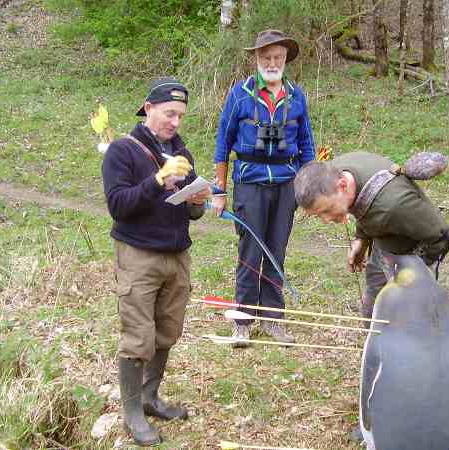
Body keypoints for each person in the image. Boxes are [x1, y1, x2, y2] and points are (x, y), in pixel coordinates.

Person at [102, 77, 211, 446]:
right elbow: (118, 205)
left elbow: (193, 213)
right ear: (148, 108)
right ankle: (132, 414)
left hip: (177, 256)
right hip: (138, 256)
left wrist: (199, 201)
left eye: (180, 115)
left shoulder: (183, 155)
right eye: (169, 113)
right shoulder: (122, 151)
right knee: (138, 337)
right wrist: (157, 180)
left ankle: (149, 398)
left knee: (167, 331)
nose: (175, 122)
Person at [212, 30, 315, 347]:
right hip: (249, 182)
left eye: (278, 58)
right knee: (251, 251)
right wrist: (220, 190)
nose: (272, 63)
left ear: (285, 60)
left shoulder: (296, 96)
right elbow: (222, 143)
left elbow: (307, 145)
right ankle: (242, 321)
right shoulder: (240, 95)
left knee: (276, 250)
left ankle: (273, 319)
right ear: (256, 59)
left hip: (286, 185)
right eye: (266, 57)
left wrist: (308, 189)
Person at [294, 151, 449, 323]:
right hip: (382, 242)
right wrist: (361, 240)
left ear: (342, 185)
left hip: (413, 252)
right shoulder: (337, 172)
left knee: (410, 320)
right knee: (374, 310)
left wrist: (412, 273)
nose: (325, 220)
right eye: (318, 215)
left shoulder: (395, 206)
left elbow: (442, 237)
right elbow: (364, 201)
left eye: (326, 210)